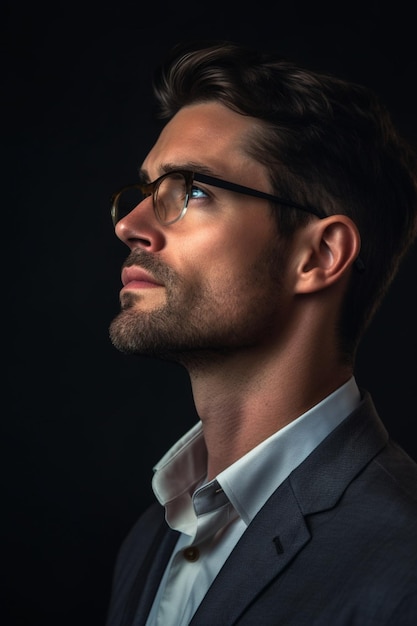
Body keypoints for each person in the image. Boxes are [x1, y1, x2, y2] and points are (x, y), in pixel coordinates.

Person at [105, 40, 417, 626]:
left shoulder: (402, 564)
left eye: (191, 191)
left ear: (320, 255)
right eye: (146, 191)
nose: (131, 225)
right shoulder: (151, 538)